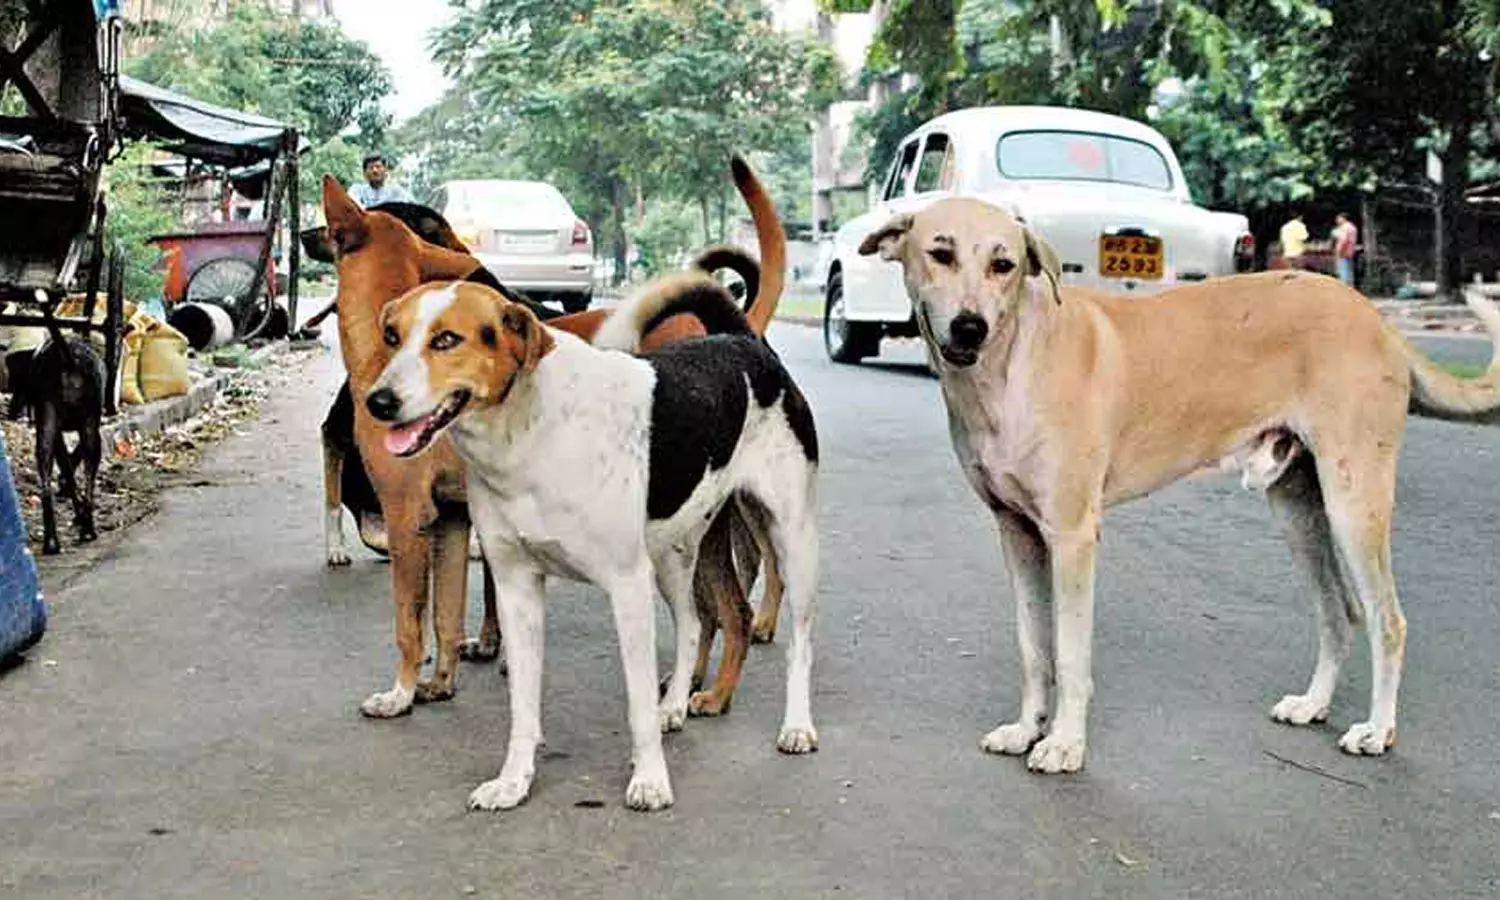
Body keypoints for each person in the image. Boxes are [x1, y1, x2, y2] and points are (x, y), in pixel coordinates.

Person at [349, 153, 413, 208]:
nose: (375, 170)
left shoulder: (397, 192)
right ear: (364, 173)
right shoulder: (357, 190)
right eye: (371, 167)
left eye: (378, 166)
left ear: (385, 170)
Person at [1332, 212, 1359, 287]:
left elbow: (1343, 240)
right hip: (1350, 251)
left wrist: (1338, 250)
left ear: (1343, 219)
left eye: (1338, 218)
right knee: (1349, 271)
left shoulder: (1344, 227)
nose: (1337, 220)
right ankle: (1351, 288)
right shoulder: (1353, 227)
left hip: (1343, 252)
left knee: (1343, 271)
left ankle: (1344, 288)